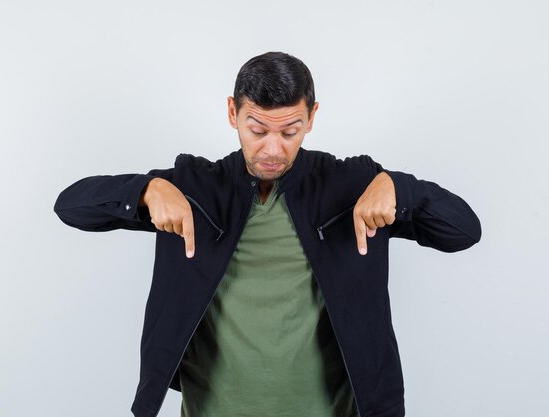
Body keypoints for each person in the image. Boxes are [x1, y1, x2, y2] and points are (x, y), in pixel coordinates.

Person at [53, 51, 482, 417]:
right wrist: (143, 189)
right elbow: (70, 206)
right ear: (231, 113)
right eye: (257, 130)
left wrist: (400, 188)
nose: (273, 149)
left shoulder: (352, 185)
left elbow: (464, 230)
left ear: (312, 117)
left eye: (289, 131)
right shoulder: (194, 188)